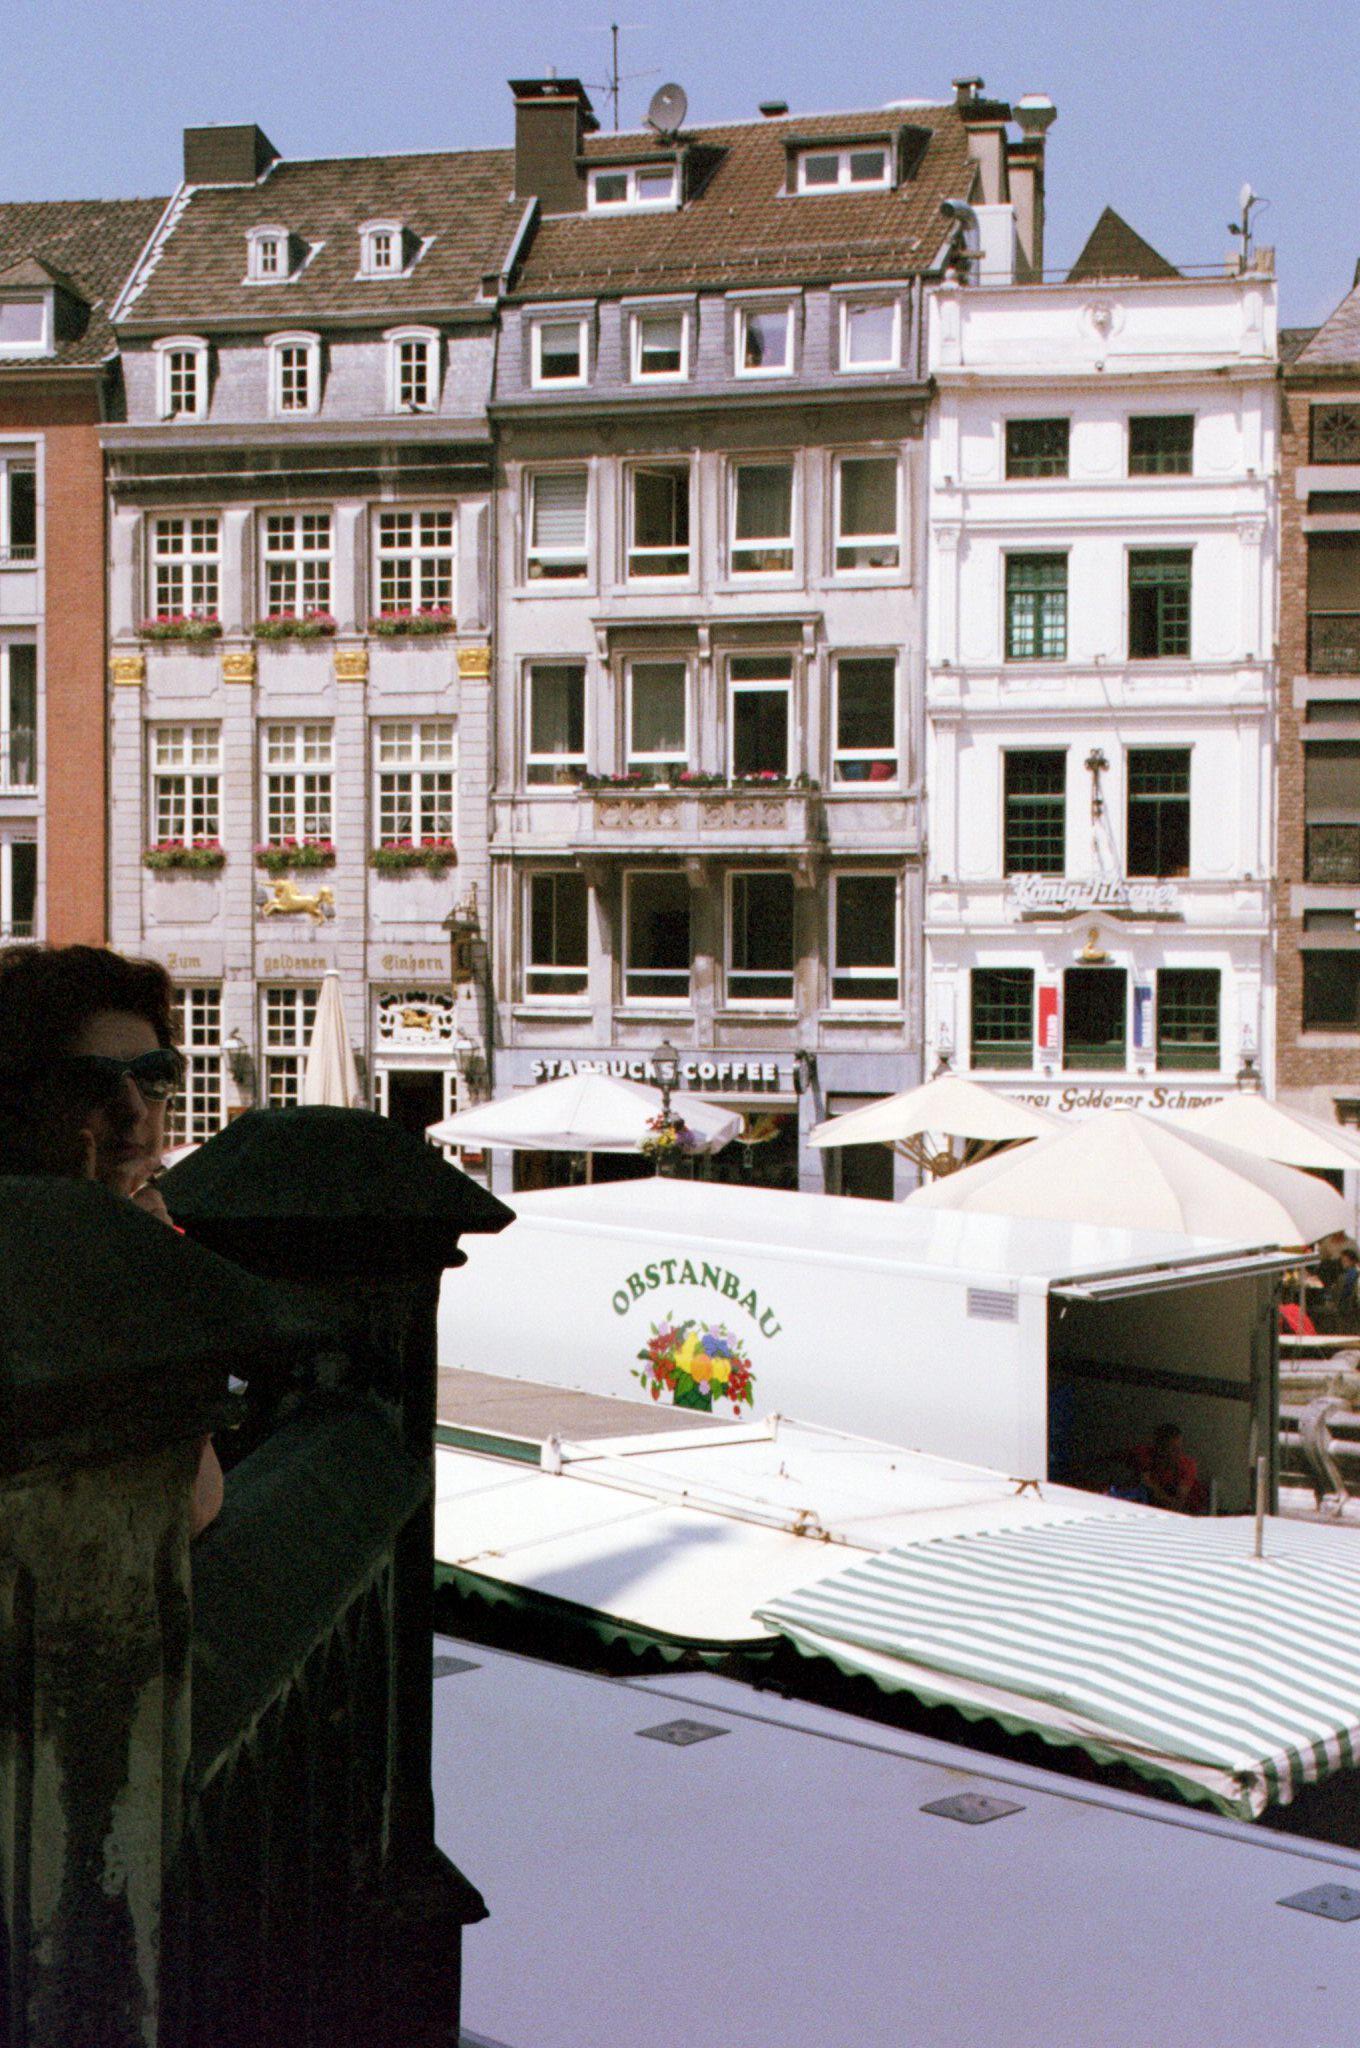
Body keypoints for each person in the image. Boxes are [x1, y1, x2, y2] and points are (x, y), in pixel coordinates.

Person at [0, 943, 223, 1533]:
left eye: (153, 1076)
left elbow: (194, 1494)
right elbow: (180, 1503)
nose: (133, 1110)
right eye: (90, 1082)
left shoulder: (145, 1230)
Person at [1130, 1422, 1207, 1515]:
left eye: (1178, 1448)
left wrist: (1152, 1487)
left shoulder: (1186, 1466)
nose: (1177, 1453)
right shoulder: (1144, 1455)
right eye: (1172, 1448)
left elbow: (1177, 1506)